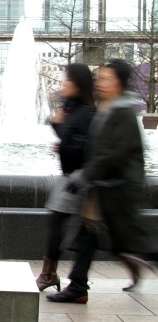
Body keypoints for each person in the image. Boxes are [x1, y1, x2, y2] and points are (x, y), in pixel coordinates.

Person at [49, 59, 154, 303]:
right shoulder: (107, 108)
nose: (101, 82)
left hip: (116, 186)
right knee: (92, 235)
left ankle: (78, 287)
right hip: (103, 185)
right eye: (100, 78)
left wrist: (84, 176)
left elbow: (112, 154)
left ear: (120, 83)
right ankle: (78, 287)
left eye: (107, 78)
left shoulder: (123, 113)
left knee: (112, 237)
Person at [36, 64, 96, 291]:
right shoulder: (75, 109)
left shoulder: (87, 113)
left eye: (67, 80)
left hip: (77, 178)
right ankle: (50, 274)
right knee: (60, 224)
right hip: (69, 176)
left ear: (78, 83)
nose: (64, 84)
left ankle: (52, 275)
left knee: (65, 226)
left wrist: (63, 148)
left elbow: (83, 148)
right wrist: (57, 125)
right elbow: (68, 137)